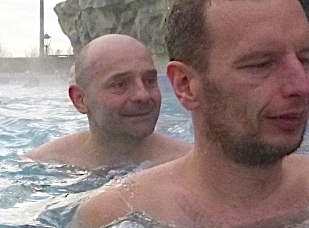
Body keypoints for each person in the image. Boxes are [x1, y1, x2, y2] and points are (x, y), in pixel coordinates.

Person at [74, 0, 309, 228]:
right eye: (261, 65)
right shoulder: (119, 214)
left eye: (304, 58)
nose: (301, 86)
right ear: (185, 85)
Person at [25, 34, 191, 170]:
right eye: (120, 84)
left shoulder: (189, 166)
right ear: (80, 100)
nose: (143, 95)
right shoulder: (42, 164)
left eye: (149, 81)